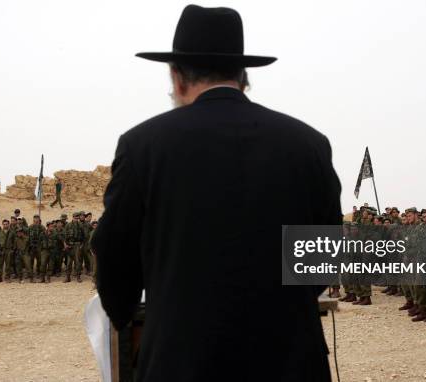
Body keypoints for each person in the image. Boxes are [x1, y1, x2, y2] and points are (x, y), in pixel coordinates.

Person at [91, 5, 342, 382]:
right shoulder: (308, 144)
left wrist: (135, 314)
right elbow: (323, 256)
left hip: (180, 361)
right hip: (289, 361)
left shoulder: (142, 145)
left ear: (176, 77)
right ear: (244, 77)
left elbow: (113, 256)